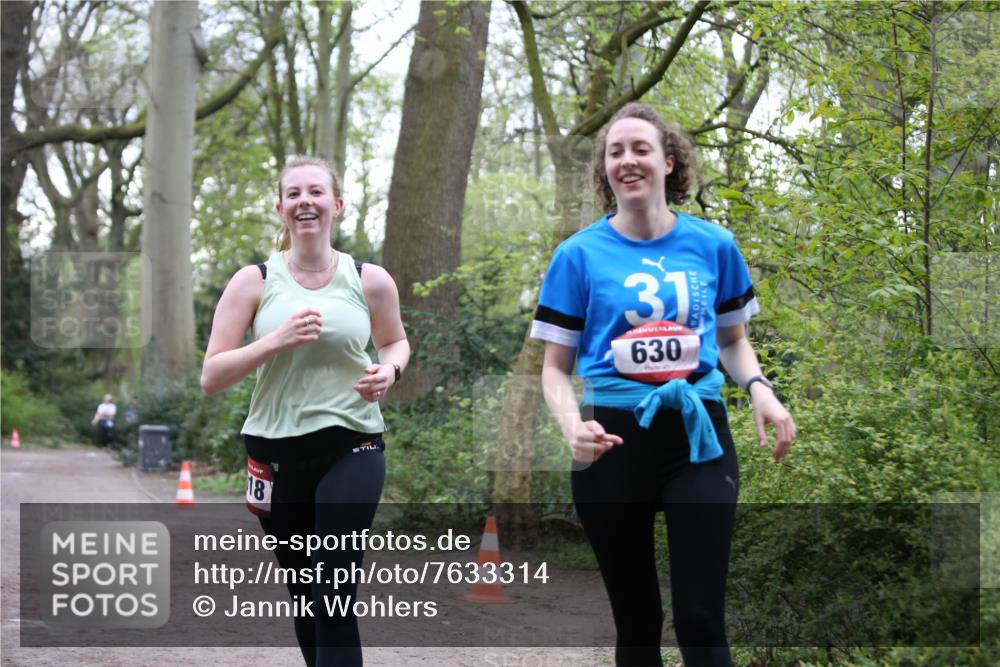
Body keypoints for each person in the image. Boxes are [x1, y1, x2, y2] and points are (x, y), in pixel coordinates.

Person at [531, 103, 796, 667]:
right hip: (610, 441)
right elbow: (554, 369)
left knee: (700, 621)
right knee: (637, 624)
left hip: (696, 438)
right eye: (615, 152)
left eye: (640, 149)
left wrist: (759, 388)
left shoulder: (714, 245)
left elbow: (731, 341)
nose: (627, 160)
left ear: (669, 162)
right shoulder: (577, 255)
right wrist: (571, 427)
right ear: (604, 170)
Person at [200, 155, 409, 666]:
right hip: (274, 454)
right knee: (306, 594)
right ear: (280, 209)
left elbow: (396, 342)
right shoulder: (252, 281)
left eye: (316, 192)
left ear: (336, 205)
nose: (304, 202)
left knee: (333, 589)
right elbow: (212, 376)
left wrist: (390, 371)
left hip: (353, 443)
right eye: (293, 194)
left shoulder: (369, 279)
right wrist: (275, 340)